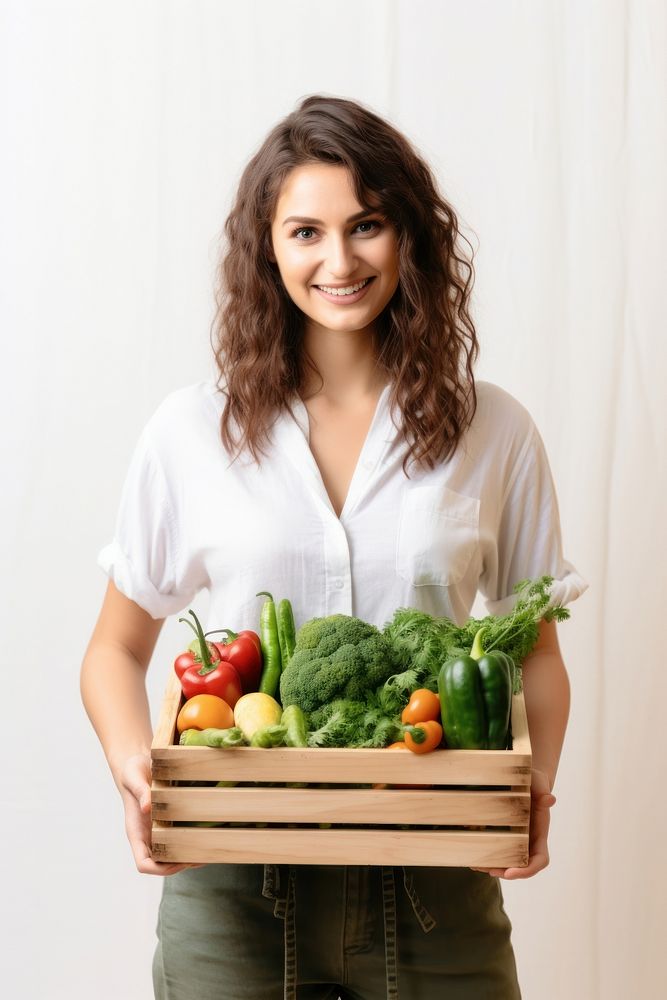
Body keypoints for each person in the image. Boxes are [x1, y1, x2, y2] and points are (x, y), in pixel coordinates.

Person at [80, 94, 587, 1000]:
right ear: (266, 248)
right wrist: (137, 772)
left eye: (367, 226)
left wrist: (532, 784)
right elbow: (115, 651)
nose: (339, 260)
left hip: (437, 878)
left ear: (409, 239)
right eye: (305, 231)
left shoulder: (493, 429)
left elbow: (536, 652)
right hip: (231, 889)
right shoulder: (192, 430)